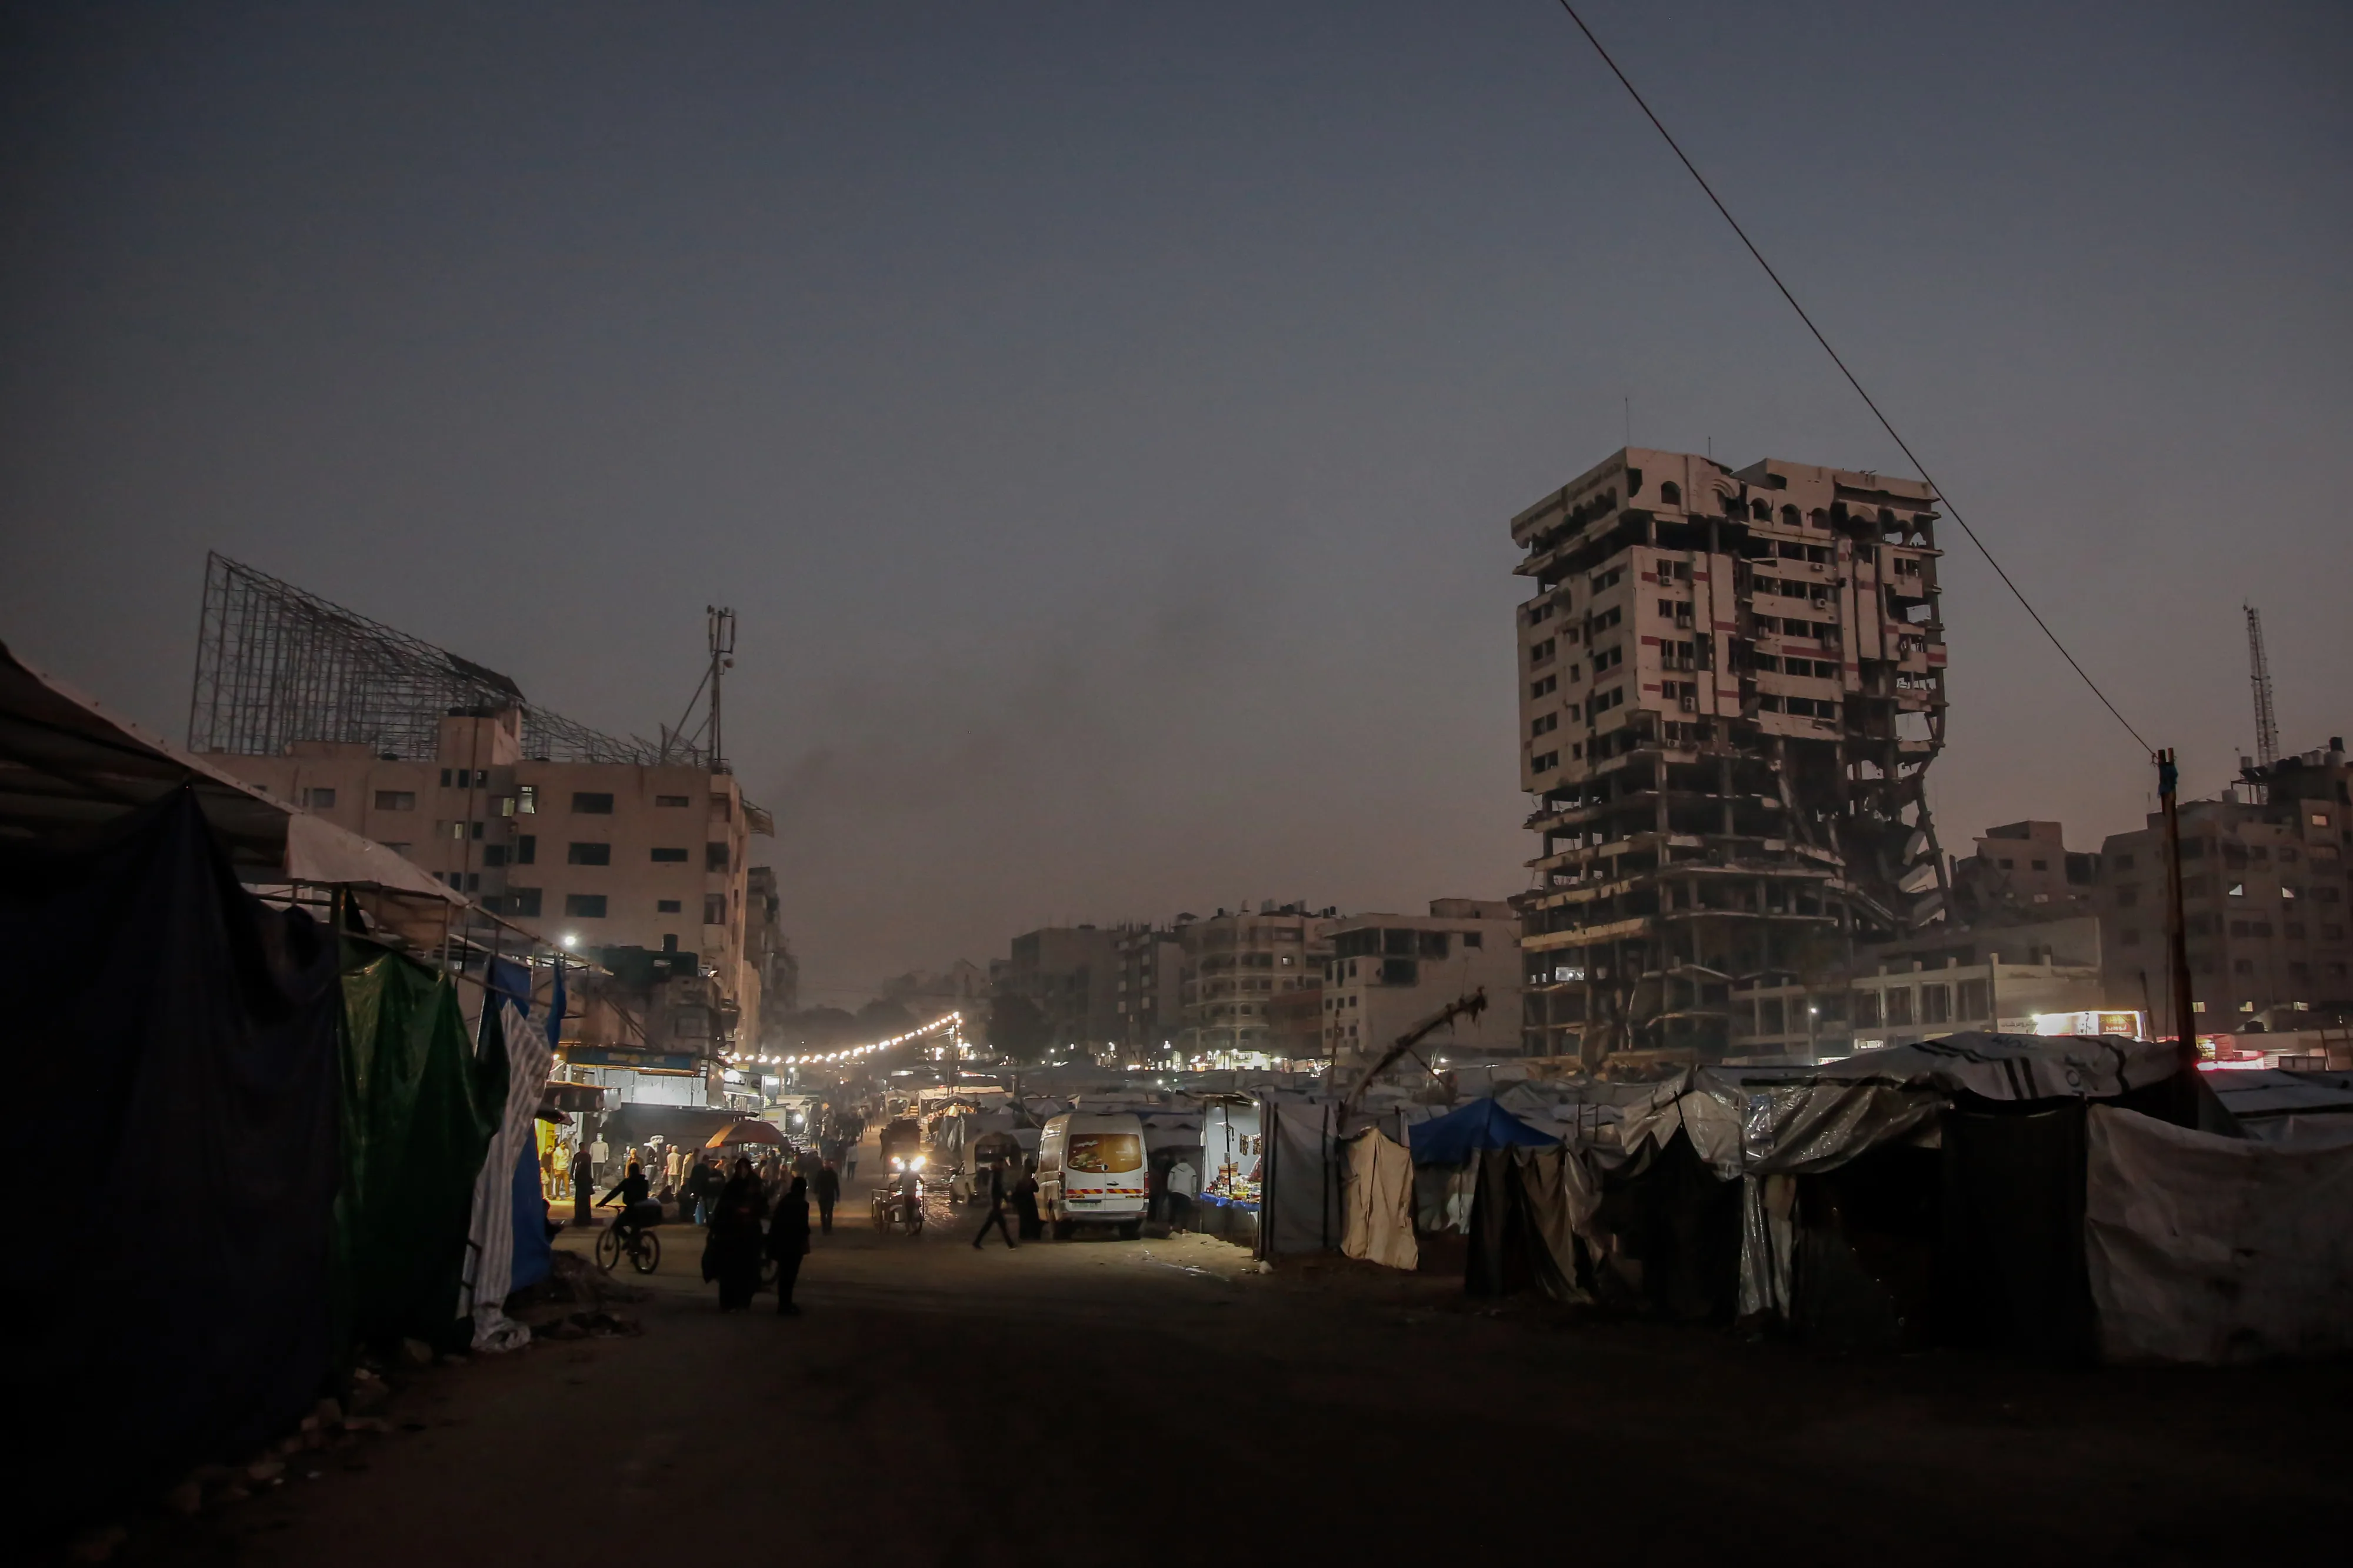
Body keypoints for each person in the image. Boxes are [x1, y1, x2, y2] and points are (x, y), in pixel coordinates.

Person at [704, 1157, 768, 1312]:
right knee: (729, 1271)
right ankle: (728, 1303)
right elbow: (722, 1208)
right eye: (741, 1168)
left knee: (748, 1270)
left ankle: (743, 1301)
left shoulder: (755, 1186)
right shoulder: (731, 1186)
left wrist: (751, 1211)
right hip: (731, 1235)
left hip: (750, 1235)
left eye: (746, 1168)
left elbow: (763, 1207)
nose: (744, 1171)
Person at [766, 1175, 811, 1316]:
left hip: (782, 1243)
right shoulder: (803, 1205)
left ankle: (783, 1304)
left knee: (784, 1275)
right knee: (790, 1276)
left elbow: (776, 1221)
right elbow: (803, 1227)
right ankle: (786, 1305)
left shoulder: (784, 1201)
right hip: (794, 1245)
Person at [596, 1161, 658, 1243]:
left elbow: (614, 1192)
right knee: (635, 1233)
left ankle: (628, 1240)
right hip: (643, 1211)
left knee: (616, 1226)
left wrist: (603, 1202)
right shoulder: (644, 1182)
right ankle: (634, 1247)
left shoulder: (627, 1182)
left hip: (631, 1211)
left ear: (630, 1171)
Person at [971, 1159, 1015, 1250]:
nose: (1004, 1166)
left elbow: (998, 1190)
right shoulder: (997, 1174)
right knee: (1001, 1226)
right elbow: (1000, 1190)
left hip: (995, 1204)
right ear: (999, 1164)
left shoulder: (995, 1174)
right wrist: (1007, 1200)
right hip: (996, 1205)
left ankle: (977, 1242)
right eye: (1003, 1164)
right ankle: (1010, 1245)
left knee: (989, 1225)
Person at [1011, 1157, 1042, 1242]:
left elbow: (1017, 1190)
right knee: (1033, 1218)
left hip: (1022, 1203)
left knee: (1024, 1220)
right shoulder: (1030, 1178)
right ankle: (1034, 1235)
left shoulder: (1021, 1178)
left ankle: (1024, 1236)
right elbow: (1036, 1189)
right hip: (1029, 1201)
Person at [812, 1160, 841, 1236]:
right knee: (823, 1212)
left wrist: (838, 1195)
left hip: (830, 1196)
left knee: (829, 1211)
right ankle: (824, 1228)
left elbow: (836, 1185)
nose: (826, 1165)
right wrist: (816, 1193)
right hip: (822, 1196)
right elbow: (816, 1183)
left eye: (827, 1164)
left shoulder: (833, 1174)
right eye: (825, 1164)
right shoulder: (820, 1173)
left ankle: (829, 1227)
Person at [570, 1146, 594, 1225]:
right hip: (586, 1191)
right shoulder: (587, 1156)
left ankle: (578, 1219)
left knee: (579, 1203)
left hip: (580, 1190)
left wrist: (572, 1175)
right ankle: (587, 1219)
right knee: (586, 1204)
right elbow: (590, 1168)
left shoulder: (578, 1156)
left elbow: (573, 1165)